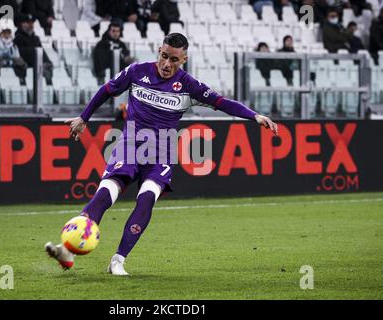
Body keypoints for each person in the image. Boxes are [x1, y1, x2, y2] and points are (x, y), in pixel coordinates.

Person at [45, 33, 278, 275]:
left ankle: (117, 261)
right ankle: (68, 249)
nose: (167, 64)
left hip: (163, 151)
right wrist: (84, 117)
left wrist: (255, 116)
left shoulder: (190, 86)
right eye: (164, 56)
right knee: (108, 191)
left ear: (184, 59)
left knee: (146, 199)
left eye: (174, 60)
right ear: (159, 50)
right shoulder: (137, 72)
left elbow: (222, 102)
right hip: (131, 144)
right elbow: (107, 90)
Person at [14, 14, 53, 82]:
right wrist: (33, 51)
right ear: (22, 24)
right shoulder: (18, 38)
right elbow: (20, 53)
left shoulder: (36, 39)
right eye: (28, 23)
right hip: (25, 69)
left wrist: (47, 62)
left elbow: (42, 52)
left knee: (47, 65)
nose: (31, 25)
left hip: (36, 66)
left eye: (32, 23)